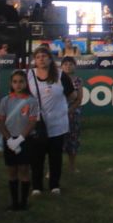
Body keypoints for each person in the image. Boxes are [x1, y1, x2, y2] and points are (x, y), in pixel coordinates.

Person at [27, 46, 77, 195]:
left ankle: (54, 185)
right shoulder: (29, 75)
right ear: (35, 60)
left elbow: (73, 96)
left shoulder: (61, 75)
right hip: (36, 123)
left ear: (50, 58)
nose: (41, 59)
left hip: (57, 124)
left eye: (44, 56)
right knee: (37, 157)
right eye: (38, 57)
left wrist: (62, 108)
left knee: (55, 156)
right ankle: (37, 186)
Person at [0, 71, 39, 211]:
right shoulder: (5, 100)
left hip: (25, 140)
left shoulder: (32, 101)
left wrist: (20, 138)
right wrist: (9, 139)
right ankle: (14, 202)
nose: (18, 84)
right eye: (15, 81)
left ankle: (24, 202)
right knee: (12, 170)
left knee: (24, 169)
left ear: (26, 83)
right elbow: (0, 122)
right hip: (9, 140)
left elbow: (32, 122)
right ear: (11, 83)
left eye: (21, 81)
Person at [60, 57, 83, 173]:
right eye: (65, 64)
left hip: (73, 114)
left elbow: (79, 99)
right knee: (56, 142)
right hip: (58, 114)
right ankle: (52, 169)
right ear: (61, 66)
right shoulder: (56, 80)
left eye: (70, 64)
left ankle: (72, 166)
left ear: (75, 66)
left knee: (73, 140)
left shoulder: (78, 80)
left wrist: (69, 111)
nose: (68, 66)